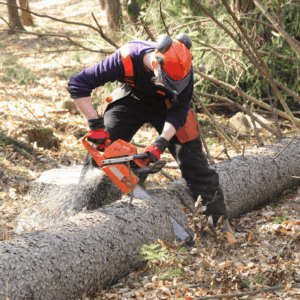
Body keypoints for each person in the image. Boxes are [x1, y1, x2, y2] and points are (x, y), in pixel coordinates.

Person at [67, 33, 236, 243]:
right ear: (156, 64)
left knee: (195, 162)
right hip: (131, 98)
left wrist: (161, 142)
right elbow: (78, 83)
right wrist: (95, 126)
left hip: (168, 107)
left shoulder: (184, 65)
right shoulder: (127, 56)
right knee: (100, 154)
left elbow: (180, 111)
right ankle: (78, 217)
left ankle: (222, 226)